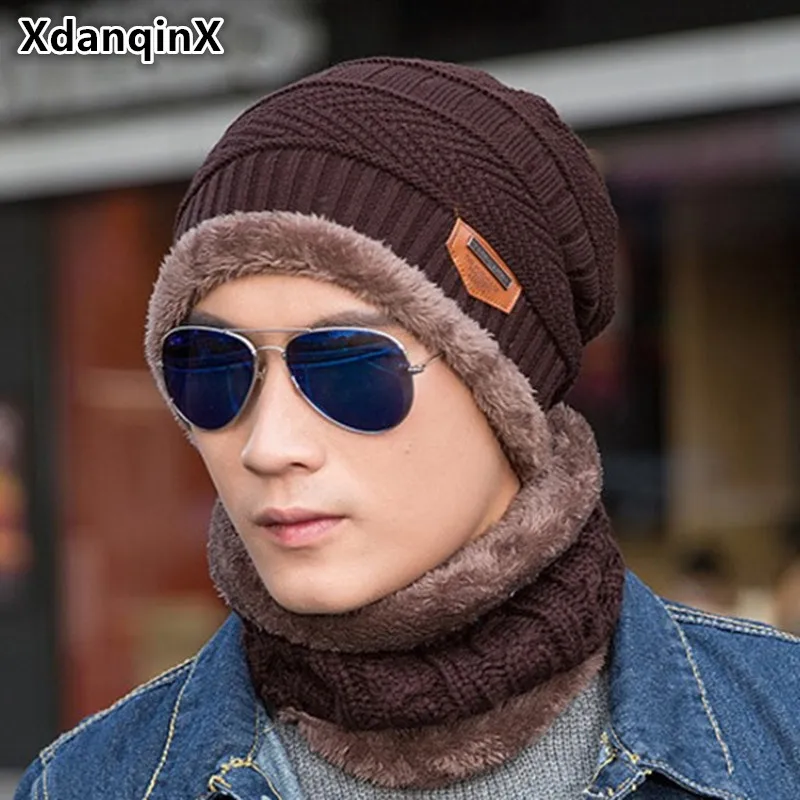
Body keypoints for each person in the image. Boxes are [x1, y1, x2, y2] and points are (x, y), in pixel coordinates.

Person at [15, 57, 800, 799]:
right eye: (211, 368)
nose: (269, 445)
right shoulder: (87, 782)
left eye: (349, 368)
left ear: (507, 391)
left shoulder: (780, 733)